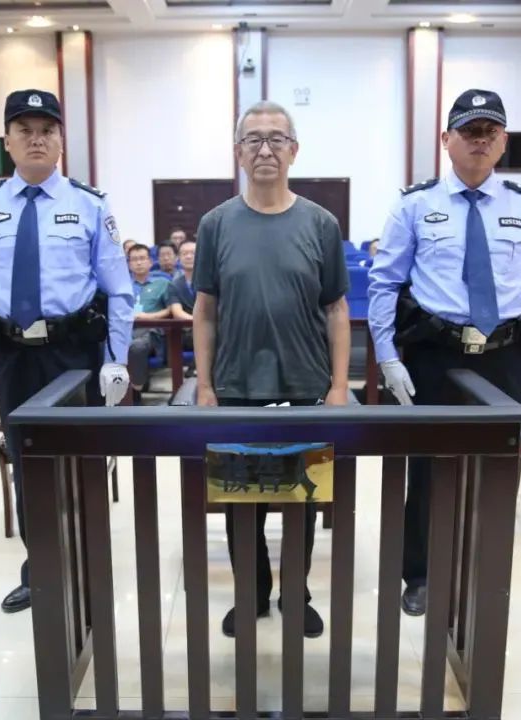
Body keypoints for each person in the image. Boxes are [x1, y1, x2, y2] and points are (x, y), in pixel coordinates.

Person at [368, 88, 521, 617]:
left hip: (504, 354)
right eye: (470, 131)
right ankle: (421, 574)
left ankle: (483, 569)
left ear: (504, 142)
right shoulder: (415, 204)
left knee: (498, 469)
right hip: (435, 354)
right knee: (429, 468)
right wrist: (387, 356)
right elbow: (384, 284)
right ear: (446, 139)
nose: (480, 141)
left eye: (490, 132)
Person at [0, 89, 133, 615]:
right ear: (7, 141)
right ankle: (42, 570)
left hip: (74, 354)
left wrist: (116, 357)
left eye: (47, 130)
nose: (37, 139)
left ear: (61, 141)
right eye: (24, 130)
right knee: (26, 461)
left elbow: (118, 289)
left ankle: (88, 563)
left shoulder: (90, 204)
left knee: (82, 461)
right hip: (13, 356)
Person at [193, 100, 351, 639]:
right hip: (236, 389)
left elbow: (336, 309)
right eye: (254, 140)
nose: (265, 149)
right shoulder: (216, 224)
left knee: (301, 503)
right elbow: (206, 310)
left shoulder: (321, 223)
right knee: (243, 506)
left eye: (276, 139)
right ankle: (252, 594)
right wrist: (206, 387)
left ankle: (295, 594)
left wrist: (338, 387)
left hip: (305, 388)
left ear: (294, 150)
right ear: (239, 153)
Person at [126, 243, 171, 397]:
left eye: (142, 258)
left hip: (151, 331)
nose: (139, 263)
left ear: (150, 262)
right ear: (129, 264)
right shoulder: (122, 285)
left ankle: (136, 390)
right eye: (134, 259)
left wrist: (148, 317)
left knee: (137, 346)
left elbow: (170, 310)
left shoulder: (163, 283)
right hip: (126, 329)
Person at [167, 239, 197, 321]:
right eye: (184, 254)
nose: (188, 257)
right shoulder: (174, 285)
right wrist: (199, 322)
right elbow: (177, 313)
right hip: (186, 326)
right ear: (178, 258)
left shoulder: (213, 281)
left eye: (193, 253)